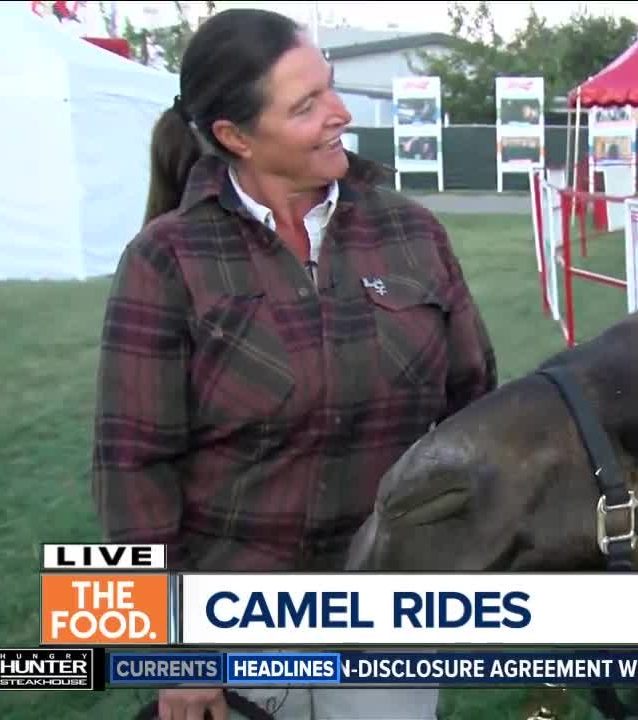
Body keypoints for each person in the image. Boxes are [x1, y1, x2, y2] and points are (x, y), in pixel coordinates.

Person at [90, 9, 497, 720]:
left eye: (329, 86)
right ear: (235, 137)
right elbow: (131, 472)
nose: (341, 113)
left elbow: (477, 410)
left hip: (386, 610)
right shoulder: (168, 259)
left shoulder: (412, 233)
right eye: (306, 105)